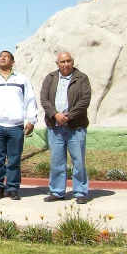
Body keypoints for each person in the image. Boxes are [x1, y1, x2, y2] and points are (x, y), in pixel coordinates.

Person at [0, 51, 38, 201]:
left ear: (13, 62)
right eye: (0, 56)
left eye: (6, 56)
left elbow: (30, 99)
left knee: (14, 159)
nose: (2, 58)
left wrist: (31, 120)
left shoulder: (21, 79)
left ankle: (13, 188)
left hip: (16, 126)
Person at [39, 52, 92, 204]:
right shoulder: (50, 78)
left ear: (72, 62)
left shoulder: (81, 78)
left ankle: (80, 192)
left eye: (68, 61)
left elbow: (85, 100)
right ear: (57, 63)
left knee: (78, 161)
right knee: (57, 161)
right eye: (62, 61)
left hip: (76, 126)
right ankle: (57, 191)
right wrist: (55, 114)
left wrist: (68, 116)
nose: (66, 64)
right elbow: (44, 99)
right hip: (55, 127)